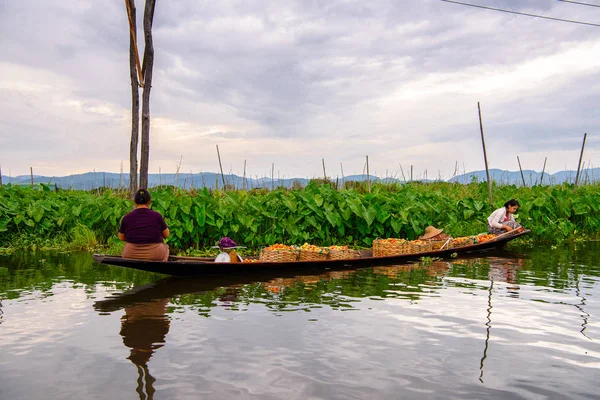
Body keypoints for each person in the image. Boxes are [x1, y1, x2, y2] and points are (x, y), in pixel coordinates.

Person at [119, 188, 170, 261]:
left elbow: (121, 237)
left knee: (126, 247)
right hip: (155, 254)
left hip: (130, 254)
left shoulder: (126, 217)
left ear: (135, 203)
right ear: (149, 202)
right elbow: (166, 234)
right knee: (166, 247)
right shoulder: (157, 216)